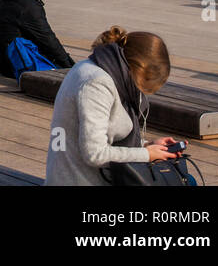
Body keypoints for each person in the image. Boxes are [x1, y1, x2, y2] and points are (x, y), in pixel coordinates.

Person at [45, 26, 181, 185]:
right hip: (81, 180)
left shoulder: (100, 67)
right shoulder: (97, 85)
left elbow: (105, 137)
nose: (142, 93)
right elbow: (94, 153)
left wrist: (148, 146)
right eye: (147, 85)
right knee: (181, 181)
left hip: (91, 176)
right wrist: (145, 154)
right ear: (138, 69)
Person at [0, 0, 76, 77]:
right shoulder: (29, 7)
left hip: (2, 59)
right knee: (60, 70)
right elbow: (47, 38)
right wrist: (69, 64)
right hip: (15, 65)